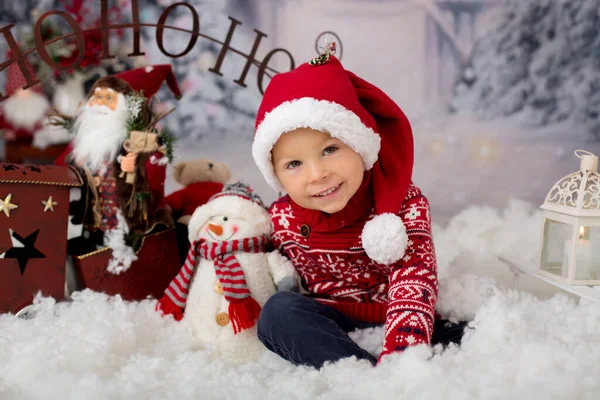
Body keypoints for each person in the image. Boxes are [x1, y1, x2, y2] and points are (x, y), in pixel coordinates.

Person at [251, 49, 466, 369]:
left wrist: (402, 360)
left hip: (393, 309)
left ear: (361, 145)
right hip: (327, 317)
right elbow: (255, 256)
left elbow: (414, 279)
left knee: (469, 331)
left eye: (330, 149)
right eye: (294, 163)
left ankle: (391, 371)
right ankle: (358, 373)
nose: (316, 174)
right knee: (277, 312)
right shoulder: (283, 217)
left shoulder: (401, 205)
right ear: (277, 175)